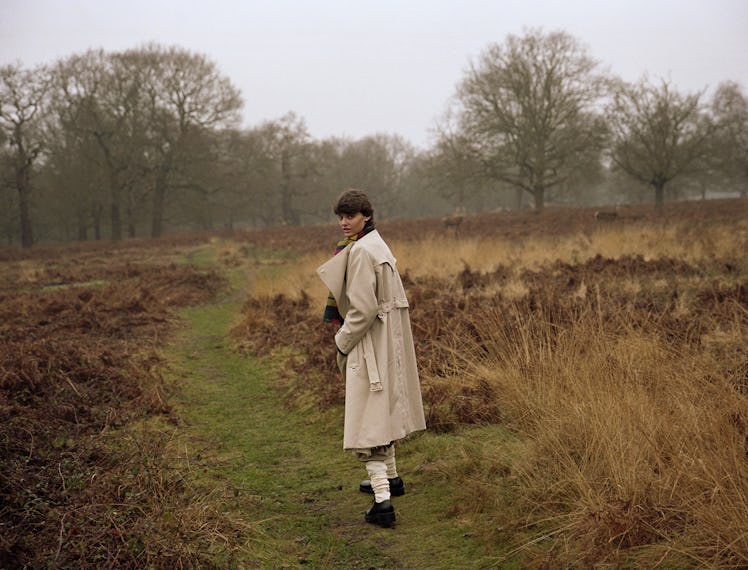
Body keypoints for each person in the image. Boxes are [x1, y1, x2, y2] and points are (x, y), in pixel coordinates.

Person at [316, 188, 426, 528]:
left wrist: (341, 342)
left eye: (350, 216)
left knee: (369, 424)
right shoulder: (378, 244)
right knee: (383, 413)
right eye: (340, 216)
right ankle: (391, 480)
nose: (343, 222)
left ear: (366, 215)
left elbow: (362, 310)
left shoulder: (362, 252)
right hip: (387, 343)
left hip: (370, 346)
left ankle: (383, 504)